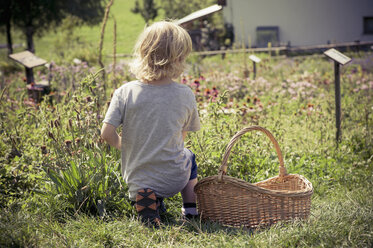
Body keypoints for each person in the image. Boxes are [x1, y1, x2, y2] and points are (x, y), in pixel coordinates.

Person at [101, 21, 200, 226]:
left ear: (143, 53)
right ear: (179, 59)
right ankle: (190, 210)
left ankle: (150, 202)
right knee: (189, 156)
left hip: (137, 179)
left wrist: (125, 146)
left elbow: (106, 134)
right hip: (173, 178)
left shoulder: (125, 92)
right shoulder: (185, 94)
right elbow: (180, 139)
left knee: (148, 176)